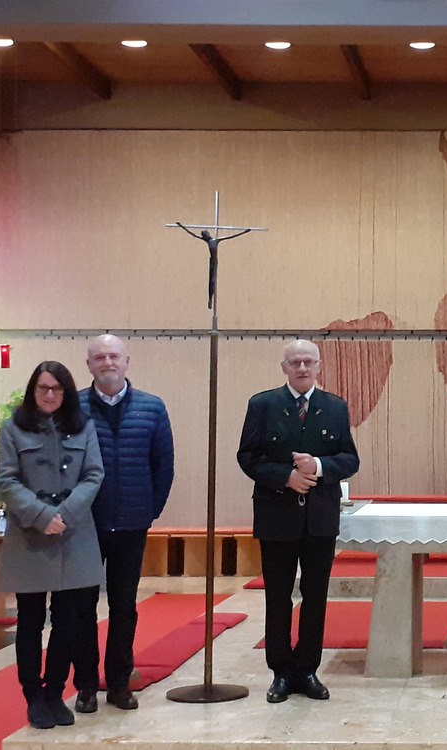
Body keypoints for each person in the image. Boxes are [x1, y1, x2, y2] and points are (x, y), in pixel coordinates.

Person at [237, 339, 359, 704]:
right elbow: (248, 456)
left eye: (308, 362)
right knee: (277, 596)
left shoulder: (335, 407)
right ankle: (280, 672)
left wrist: (318, 466)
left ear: (319, 366)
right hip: (277, 515)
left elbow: (349, 459)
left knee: (315, 595)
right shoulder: (263, 405)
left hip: (319, 517)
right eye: (295, 363)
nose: (302, 368)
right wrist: (286, 477)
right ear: (284, 368)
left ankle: (307, 669)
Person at [0, 361, 104, 729]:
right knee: (29, 620)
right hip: (30, 535)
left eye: (57, 388)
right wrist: (42, 515)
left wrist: (65, 514)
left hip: (72, 534)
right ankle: (34, 696)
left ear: (67, 392)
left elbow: (94, 475)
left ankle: (56, 692)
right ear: (33, 390)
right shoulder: (14, 427)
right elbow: (6, 480)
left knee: (67, 619)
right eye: (43, 387)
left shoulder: (83, 426)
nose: (49, 394)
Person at [78, 334, 175, 712]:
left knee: (124, 607)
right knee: (82, 608)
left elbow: (163, 464)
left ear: (126, 361)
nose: (108, 362)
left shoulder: (152, 407)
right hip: (85, 524)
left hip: (133, 523)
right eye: (99, 357)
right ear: (89, 364)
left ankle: (119, 683)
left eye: (114, 356)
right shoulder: (74, 408)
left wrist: (150, 510)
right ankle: (86, 686)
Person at [174, 222, 251, 308]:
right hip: (213, 261)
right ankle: (210, 299)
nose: (205, 236)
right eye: (205, 235)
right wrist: (181, 226)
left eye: (205, 235)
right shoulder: (211, 241)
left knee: (212, 280)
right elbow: (193, 234)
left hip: (214, 261)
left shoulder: (214, 240)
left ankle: (210, 299)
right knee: (212, 280)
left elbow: (231, 237)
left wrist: (244, 232)